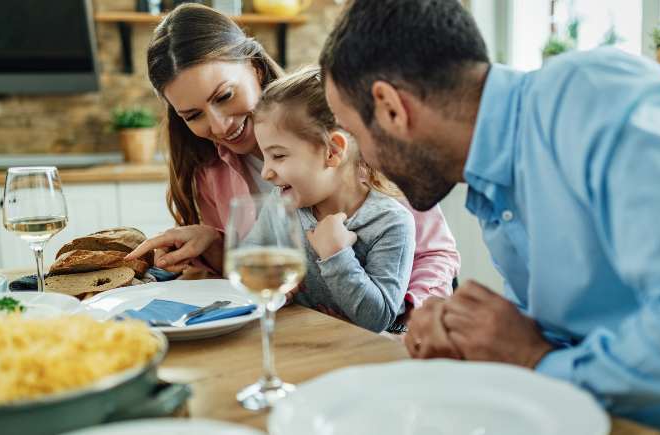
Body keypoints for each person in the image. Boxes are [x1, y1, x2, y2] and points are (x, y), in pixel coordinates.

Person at [319, 0, 660, 431]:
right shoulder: (490, 174)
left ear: (391, 108)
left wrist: (534, 358)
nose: (365, 161)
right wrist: (474, 338)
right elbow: (575, 331)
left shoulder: (594, 103)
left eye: (358, 137)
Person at [126, 3, 461, 314]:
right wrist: (215, 246)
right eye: (193, 115)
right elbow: (254, 281)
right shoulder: (208, 174)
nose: (218, 124)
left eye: (225, 95)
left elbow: (435, 253)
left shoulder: (354, 131)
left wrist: (405, 322)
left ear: (255, 69)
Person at [245, 66, 414, 332]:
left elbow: (377, 319)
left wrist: (337, 254)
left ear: (332, 151)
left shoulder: (389, 222)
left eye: (278, 156)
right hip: (302, 345)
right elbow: (249, 256)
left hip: (360, 359)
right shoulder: (281, 204)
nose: (266, 172)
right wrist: (266, 280)